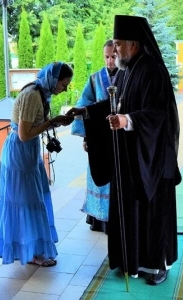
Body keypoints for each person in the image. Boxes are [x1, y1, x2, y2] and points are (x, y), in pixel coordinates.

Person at [66, 15, 181, 286]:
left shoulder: (154, 70)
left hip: (151, 160)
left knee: (152, 215)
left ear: (134, 44)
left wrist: (127, 120)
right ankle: (130, 260)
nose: (114, 50)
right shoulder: (128, 69)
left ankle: (156, 266)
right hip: (130, 159)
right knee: (129, 212)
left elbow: (157, 114)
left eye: (118, 44)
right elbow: (115, 104)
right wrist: (86, 111)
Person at [0, 62, 74, 267]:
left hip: (27, 152)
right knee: (26, 202)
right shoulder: (32, 95)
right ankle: (32, 252)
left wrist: (55, 122)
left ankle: (30, 249)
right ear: (54, 80)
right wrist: (51, 122)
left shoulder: (40, 92)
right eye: (63, 85)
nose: (63, 89)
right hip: (19, 153)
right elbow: (24, 133)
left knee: (31, 200)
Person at [71, 40, 120, 233]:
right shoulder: (94, 78)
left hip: (119, 133)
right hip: (98, 135)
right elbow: (85, 104)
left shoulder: (127, 76)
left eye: (113, 57)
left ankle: (116, 217)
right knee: (98, 174)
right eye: (106, 57)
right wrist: (86, 137)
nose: (110, 61)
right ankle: (98, 218)